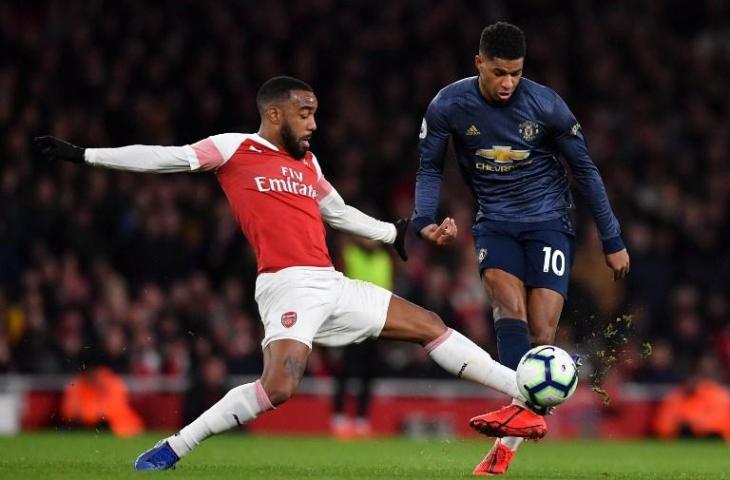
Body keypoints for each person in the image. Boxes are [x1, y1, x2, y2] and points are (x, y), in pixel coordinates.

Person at [35, 76, 547, 472]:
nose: (313, 124)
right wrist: (85, 155)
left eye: (315, 115)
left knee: (430, 324)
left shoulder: (309, 163)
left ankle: (525, 395)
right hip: (287, 283)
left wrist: (399, 234)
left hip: (330, 282)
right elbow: (165, 159)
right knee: (279, 387)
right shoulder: (233, 149)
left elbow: (339, 213)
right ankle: (175, 446)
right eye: (305, 114)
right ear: (274, 113)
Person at [412, 23, 630, 475]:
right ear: (479, 64)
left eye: (515, 73)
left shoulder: (546, 104)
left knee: (541, 333)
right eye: (499, 73)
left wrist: (612, 239)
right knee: (506, 306)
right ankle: (516, 426)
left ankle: (508, 439)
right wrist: (423, 219)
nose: (508, 82)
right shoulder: (448, 104)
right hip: (494, 224)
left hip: (550, 224)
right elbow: (429, 167)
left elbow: (585, 170)